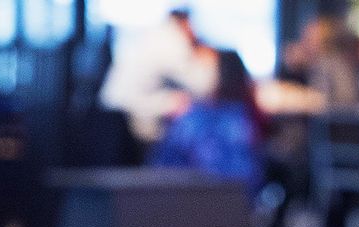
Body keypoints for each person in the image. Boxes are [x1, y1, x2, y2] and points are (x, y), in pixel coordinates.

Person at [152, 49, 265, 194]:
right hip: (189, 202)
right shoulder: (193, 117)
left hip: (203, 202)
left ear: (222, 73)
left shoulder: (231, 122)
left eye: (207, 67)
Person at [99, 8, 214, 148]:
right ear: (185, 22)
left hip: (115, 110)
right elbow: (203, 84)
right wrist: (208, 57)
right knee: (183, 104)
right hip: (125, 114)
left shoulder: (157, 33)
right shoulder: (171, 38)